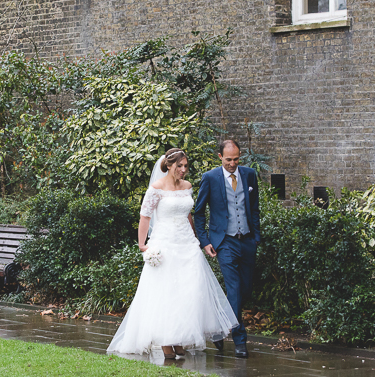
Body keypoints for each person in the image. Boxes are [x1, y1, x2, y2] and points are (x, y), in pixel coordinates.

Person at [107, 148, 238, 358]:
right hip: (165, 244)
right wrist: (143, 244)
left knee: (189, 292)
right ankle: (166, 342)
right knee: (167, 293)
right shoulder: (156, 188)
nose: (184, 170)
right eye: (180, 166)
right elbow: (145, 216)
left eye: (186, 166)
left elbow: (188, 215)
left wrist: (196, 238)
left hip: (186, 244)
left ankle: (179, 339)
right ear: (169, 166)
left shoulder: (187, 187)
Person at [193, 139, 261, 358]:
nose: (233, 163)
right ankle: (240, 340)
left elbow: (255, 207)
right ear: (220, 157)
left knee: (245, 290)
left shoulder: (249, 175)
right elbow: (199, 211)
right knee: (233, 288)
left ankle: (218, 328)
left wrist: (256, 237)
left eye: (237, 159)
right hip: (225, 242)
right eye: (229, 159)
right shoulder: (210, 178)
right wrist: (205, 241)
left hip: (247, 240)